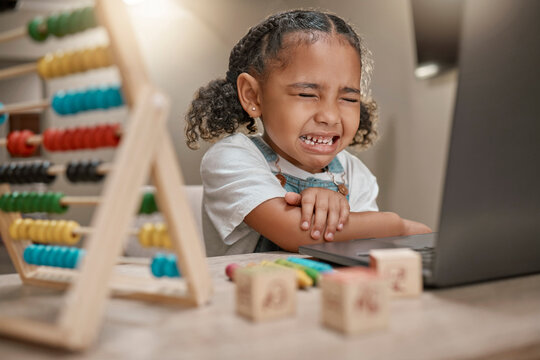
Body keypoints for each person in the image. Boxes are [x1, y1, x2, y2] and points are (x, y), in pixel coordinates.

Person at [185, 9, 431, 256]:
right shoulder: (232, 158)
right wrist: (397, 226)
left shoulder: (354, 174)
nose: (330, 116)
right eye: (306, 94)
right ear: (253, 95)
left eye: (347, 98)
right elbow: (297, 234)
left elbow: (363, 245)